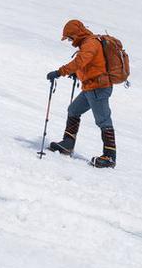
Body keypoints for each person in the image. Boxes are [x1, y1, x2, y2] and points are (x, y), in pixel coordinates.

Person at [46, 19, 117, 168]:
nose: (70, 41)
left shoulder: (90, 43)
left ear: (76, 34)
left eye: (70, 37)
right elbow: (91, 64)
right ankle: (68, 143)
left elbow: (80, 61)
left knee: (103, 120)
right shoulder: (87, 43)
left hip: (99, 88)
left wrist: (60, 72)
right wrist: (78, 74)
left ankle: (110, 157)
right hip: (90, 87)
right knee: (73, 110)